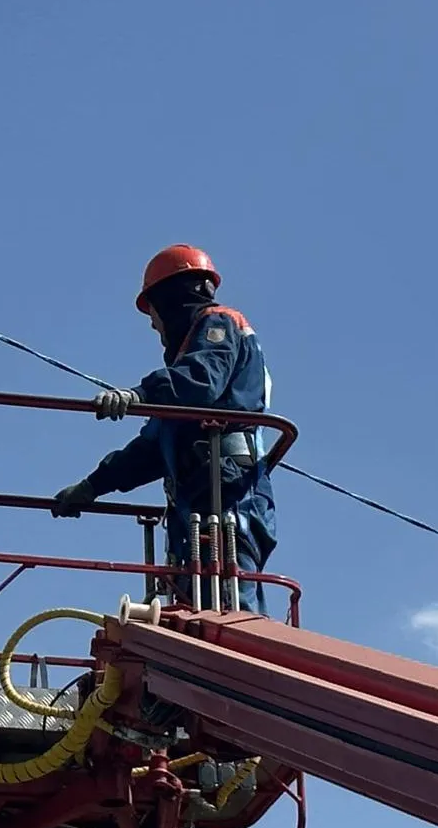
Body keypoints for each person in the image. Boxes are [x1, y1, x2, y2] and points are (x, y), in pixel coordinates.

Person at [50, 244, 278, 614]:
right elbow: (152, 446)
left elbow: (200, 380)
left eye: (152, 311)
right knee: (200, 601)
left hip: (230, 492)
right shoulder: (181, 399)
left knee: (232, 606)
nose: (152, 324)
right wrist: (93, 485)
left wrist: (139, 394)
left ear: (172, 299)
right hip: (202, 496)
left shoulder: (219, 326)